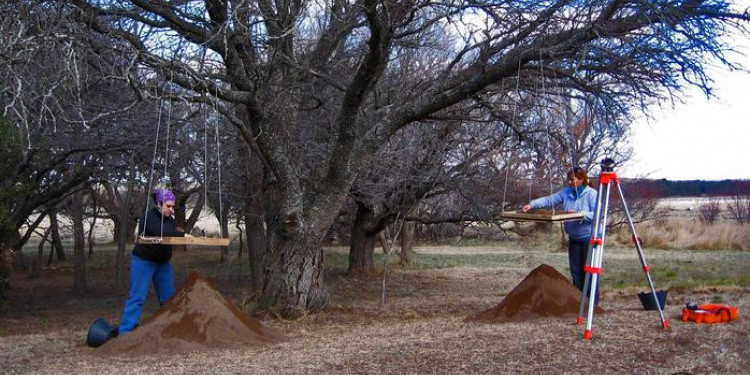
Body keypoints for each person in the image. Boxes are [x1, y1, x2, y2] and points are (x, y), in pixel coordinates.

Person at [522, 167, 599, 304]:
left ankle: (592, 303)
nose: (569, 182)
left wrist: (579, 214)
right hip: (574, 237)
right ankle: (579, 301)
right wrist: (532, 204)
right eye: (568, 180)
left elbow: (598, 214)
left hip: (590, 238)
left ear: (581, 179)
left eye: (572, 180)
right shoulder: (566, 192)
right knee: (576, 271)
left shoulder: (592, 194)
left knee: (589, 271)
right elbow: (549, 200)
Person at [117, 189, 189, 334]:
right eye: (168, 206)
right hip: (144, 261)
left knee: (168, 298)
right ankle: (124, 332)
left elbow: (174, 231)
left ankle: (171, 329)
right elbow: (162, 232)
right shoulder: (150, 217)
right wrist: (181, 233)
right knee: (137, 297)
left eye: (172, 207)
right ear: (158, 203)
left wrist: (179, 232)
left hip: (163, 263)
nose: (171, 209)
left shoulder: (170, 219)